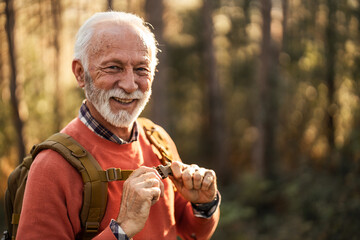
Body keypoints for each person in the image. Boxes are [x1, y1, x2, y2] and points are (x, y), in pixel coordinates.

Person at [17, 11, 220, 240]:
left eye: (141, 69)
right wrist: (121, 229)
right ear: (80, 73)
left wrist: (204, 204)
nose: (129, 84)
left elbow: (191, 231)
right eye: (113, 67)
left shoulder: (157, 140)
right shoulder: (52, 166)